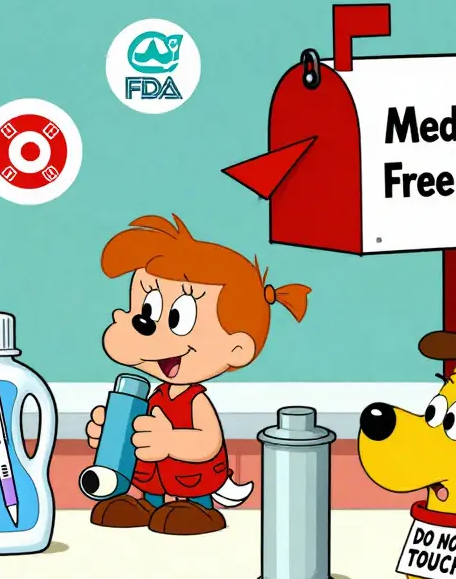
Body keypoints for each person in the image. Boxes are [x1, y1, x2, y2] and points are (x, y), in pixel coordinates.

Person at [87, 215, 310, 535]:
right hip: (153, 478)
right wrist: (107, 433)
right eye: (146, 310)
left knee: (187, 505)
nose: (144, 325)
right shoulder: (154, 395)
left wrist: (169, 440)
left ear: (237, 348)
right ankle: (147, 503)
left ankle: (201, 509)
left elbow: (207, 442)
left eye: (178, 318)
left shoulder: (195, 399)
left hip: (191, 481)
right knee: (146, 497)